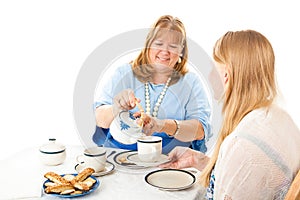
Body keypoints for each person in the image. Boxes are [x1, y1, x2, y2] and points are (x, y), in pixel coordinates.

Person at [160, 30, 300, 199]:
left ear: (226, 76)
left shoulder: (241, 144)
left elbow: (241, 166)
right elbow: (244, 179)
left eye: (213, 67)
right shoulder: (280, 118)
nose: (210, 75)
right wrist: (197, 160)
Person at [93, 15, 212, 154]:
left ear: (181, 51)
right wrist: (116, 107)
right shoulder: (123, 74)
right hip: (121, 157)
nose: (165, 52)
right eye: (159, 44)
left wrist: (162, 125)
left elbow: (200, 130)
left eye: (173, 46)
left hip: (170, 162)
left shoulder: (191, 83)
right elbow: (99, 119)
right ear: (148, 45)